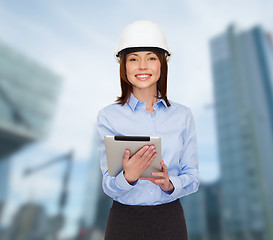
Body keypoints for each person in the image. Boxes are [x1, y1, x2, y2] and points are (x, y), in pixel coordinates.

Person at [97, 20, 199, 240]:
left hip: (170, 220)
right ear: (124, 66)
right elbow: (108, 184)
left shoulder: (183, 115)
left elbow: (192, 176)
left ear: (162, 64)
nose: (142, 66)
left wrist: (170, 184)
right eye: (134, 59)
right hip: (123, 222)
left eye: (151, 58)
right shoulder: (108, 116)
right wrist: (128, 177)